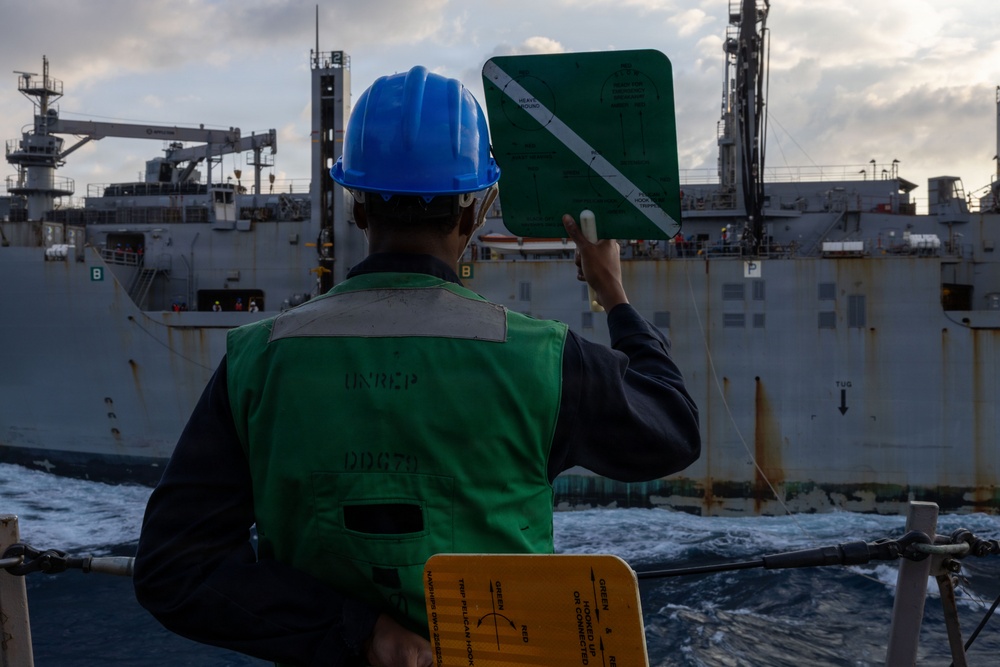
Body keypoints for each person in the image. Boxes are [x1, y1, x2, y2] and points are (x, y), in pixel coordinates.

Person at [133, 65, 700, 667]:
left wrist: (361, 632)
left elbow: (173, 569)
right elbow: (673, 431)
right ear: (473, 213)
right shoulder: (544, 357)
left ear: (357, 208)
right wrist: (614, 296)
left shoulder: (255, 360)